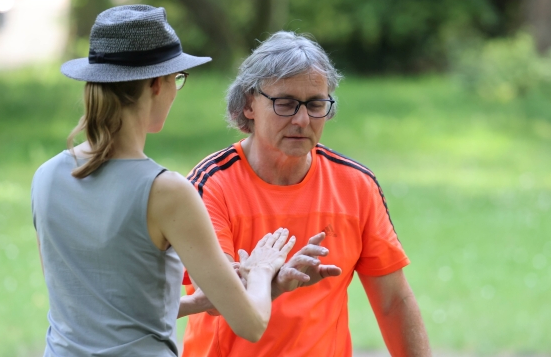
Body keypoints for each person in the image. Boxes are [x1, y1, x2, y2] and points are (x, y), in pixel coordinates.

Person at [31, 5, 298, 357]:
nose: (175, 90)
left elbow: (93, 310)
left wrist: (197, 301)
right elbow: (250, 323)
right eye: (178, 79)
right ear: (157, 83)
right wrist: (262, 271)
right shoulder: (165, 191)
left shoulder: (46, 176)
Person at [182, 31, 431, 357]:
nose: (302, 120)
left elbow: (392, 302)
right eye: (285, 103)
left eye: (315, 104)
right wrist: (275, 278)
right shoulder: (211, 183)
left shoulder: (355, 185)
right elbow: (216, 298)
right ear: (248, 104)